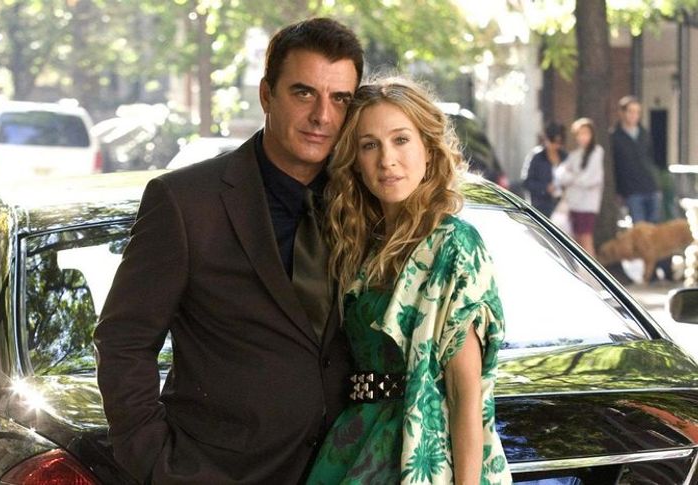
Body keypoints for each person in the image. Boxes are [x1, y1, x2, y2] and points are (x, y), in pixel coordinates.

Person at [94, 18, 363, 484]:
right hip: (218, 473)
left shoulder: (366, 201)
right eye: (304, 93)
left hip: (349, 470)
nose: (323, 116)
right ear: (266, 95)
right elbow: (123, 342)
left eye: (340, 98)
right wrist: (159, 465)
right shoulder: (185, 202)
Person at [306, 78, 510, 484]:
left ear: (428, 150)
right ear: (355, 161)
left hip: (422, 455)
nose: (387, 160)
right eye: (370, 145)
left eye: (401, 140)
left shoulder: (454, 246)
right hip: (353, 446)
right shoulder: (356, 245)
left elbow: (464, 392)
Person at [554, 118, 604, 256]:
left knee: (586, 239)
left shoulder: (597, 152)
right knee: (577, 240)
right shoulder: (575, 155)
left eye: (586, 133)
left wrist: (571, 178)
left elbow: (588, 179)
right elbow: (560, 173)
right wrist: (574, 178)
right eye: (580, 133)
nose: (583, 137)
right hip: (574, 203)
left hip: (587, 204)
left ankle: (591, 269)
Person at [611, 95, 661, 224]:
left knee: (654, 228)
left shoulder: (645, 134)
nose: (634, 115)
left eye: (637, 112)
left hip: (651, 187)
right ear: (622, 113)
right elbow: (614, 166)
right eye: (631, 111)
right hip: (631, 191)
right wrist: (619, 191)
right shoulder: (614, 137)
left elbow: (651, 159)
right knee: (640, 228)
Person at [522, 122, 567, 218]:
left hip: (561, 207)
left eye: (559, 142)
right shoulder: (536, 157)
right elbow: (527, 182)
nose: (555, 145)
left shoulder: (565, 157)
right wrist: (545, 188)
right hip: (541, 207)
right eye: (553, 141)